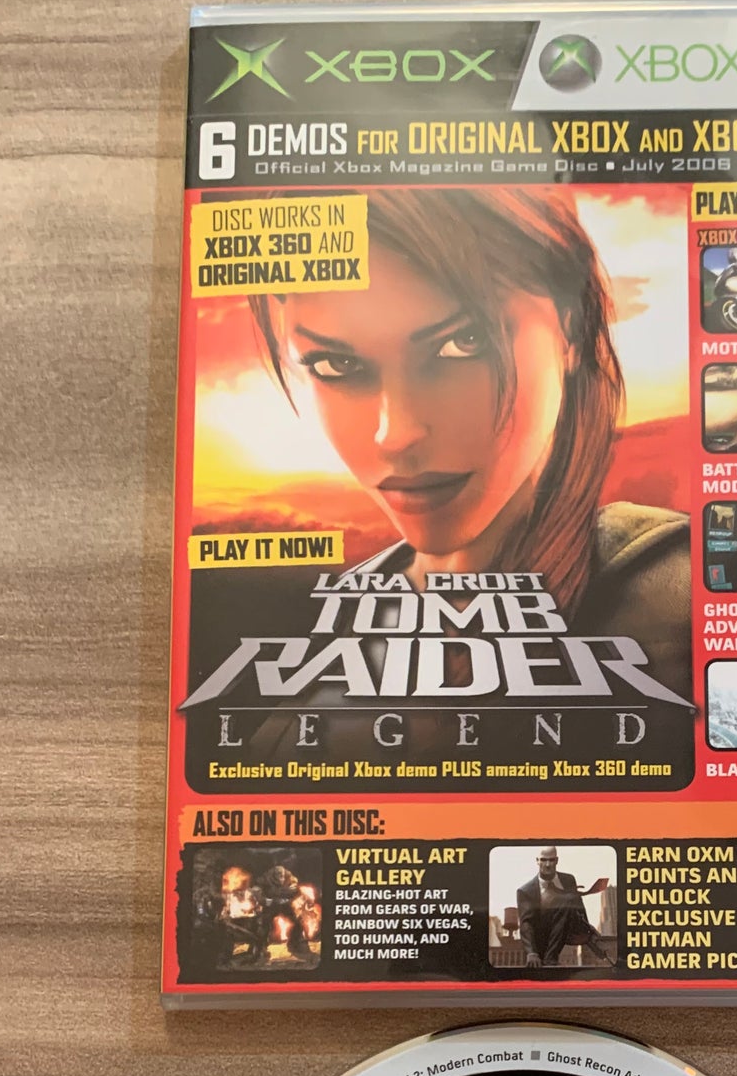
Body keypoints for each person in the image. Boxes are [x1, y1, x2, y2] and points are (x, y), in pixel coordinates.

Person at [249, 188, 690, 699]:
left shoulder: (677, 592)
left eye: (463, 344)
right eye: (336, 365)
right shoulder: (341, 618)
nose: (395, 434)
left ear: (571, 328)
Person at [515, 847, 613, 967]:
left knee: (567, 901)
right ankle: (550, 959)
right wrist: (531, 953)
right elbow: (526, 923)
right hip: (541, 935)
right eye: (543, 860)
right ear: (537, 861)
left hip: (566, 930)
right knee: (564, 900)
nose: (547, 864)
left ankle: (552, 957)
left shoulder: (568, 880)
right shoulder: (525, 891)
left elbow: (579, 906)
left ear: (557, 860)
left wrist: (588, 929)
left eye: (551, 860)